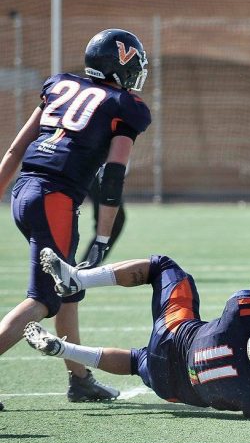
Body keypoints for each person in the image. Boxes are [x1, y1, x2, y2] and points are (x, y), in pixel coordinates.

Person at [0, 28, 151, 403]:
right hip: (55, 198)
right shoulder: (124, 105)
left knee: (67, 288)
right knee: (45, 298)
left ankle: (80, 379)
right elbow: (114, 175)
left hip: (24, 191)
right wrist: (102, 239)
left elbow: (15, 150)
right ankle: (79, 378)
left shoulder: (60, 84)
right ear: (120, 66)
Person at [24, 248, 250, 418]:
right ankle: (64, 350)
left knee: (163, 267)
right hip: (173, 386)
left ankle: (79, 281)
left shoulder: (242, 315)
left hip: (174, 335)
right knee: (138, 362)